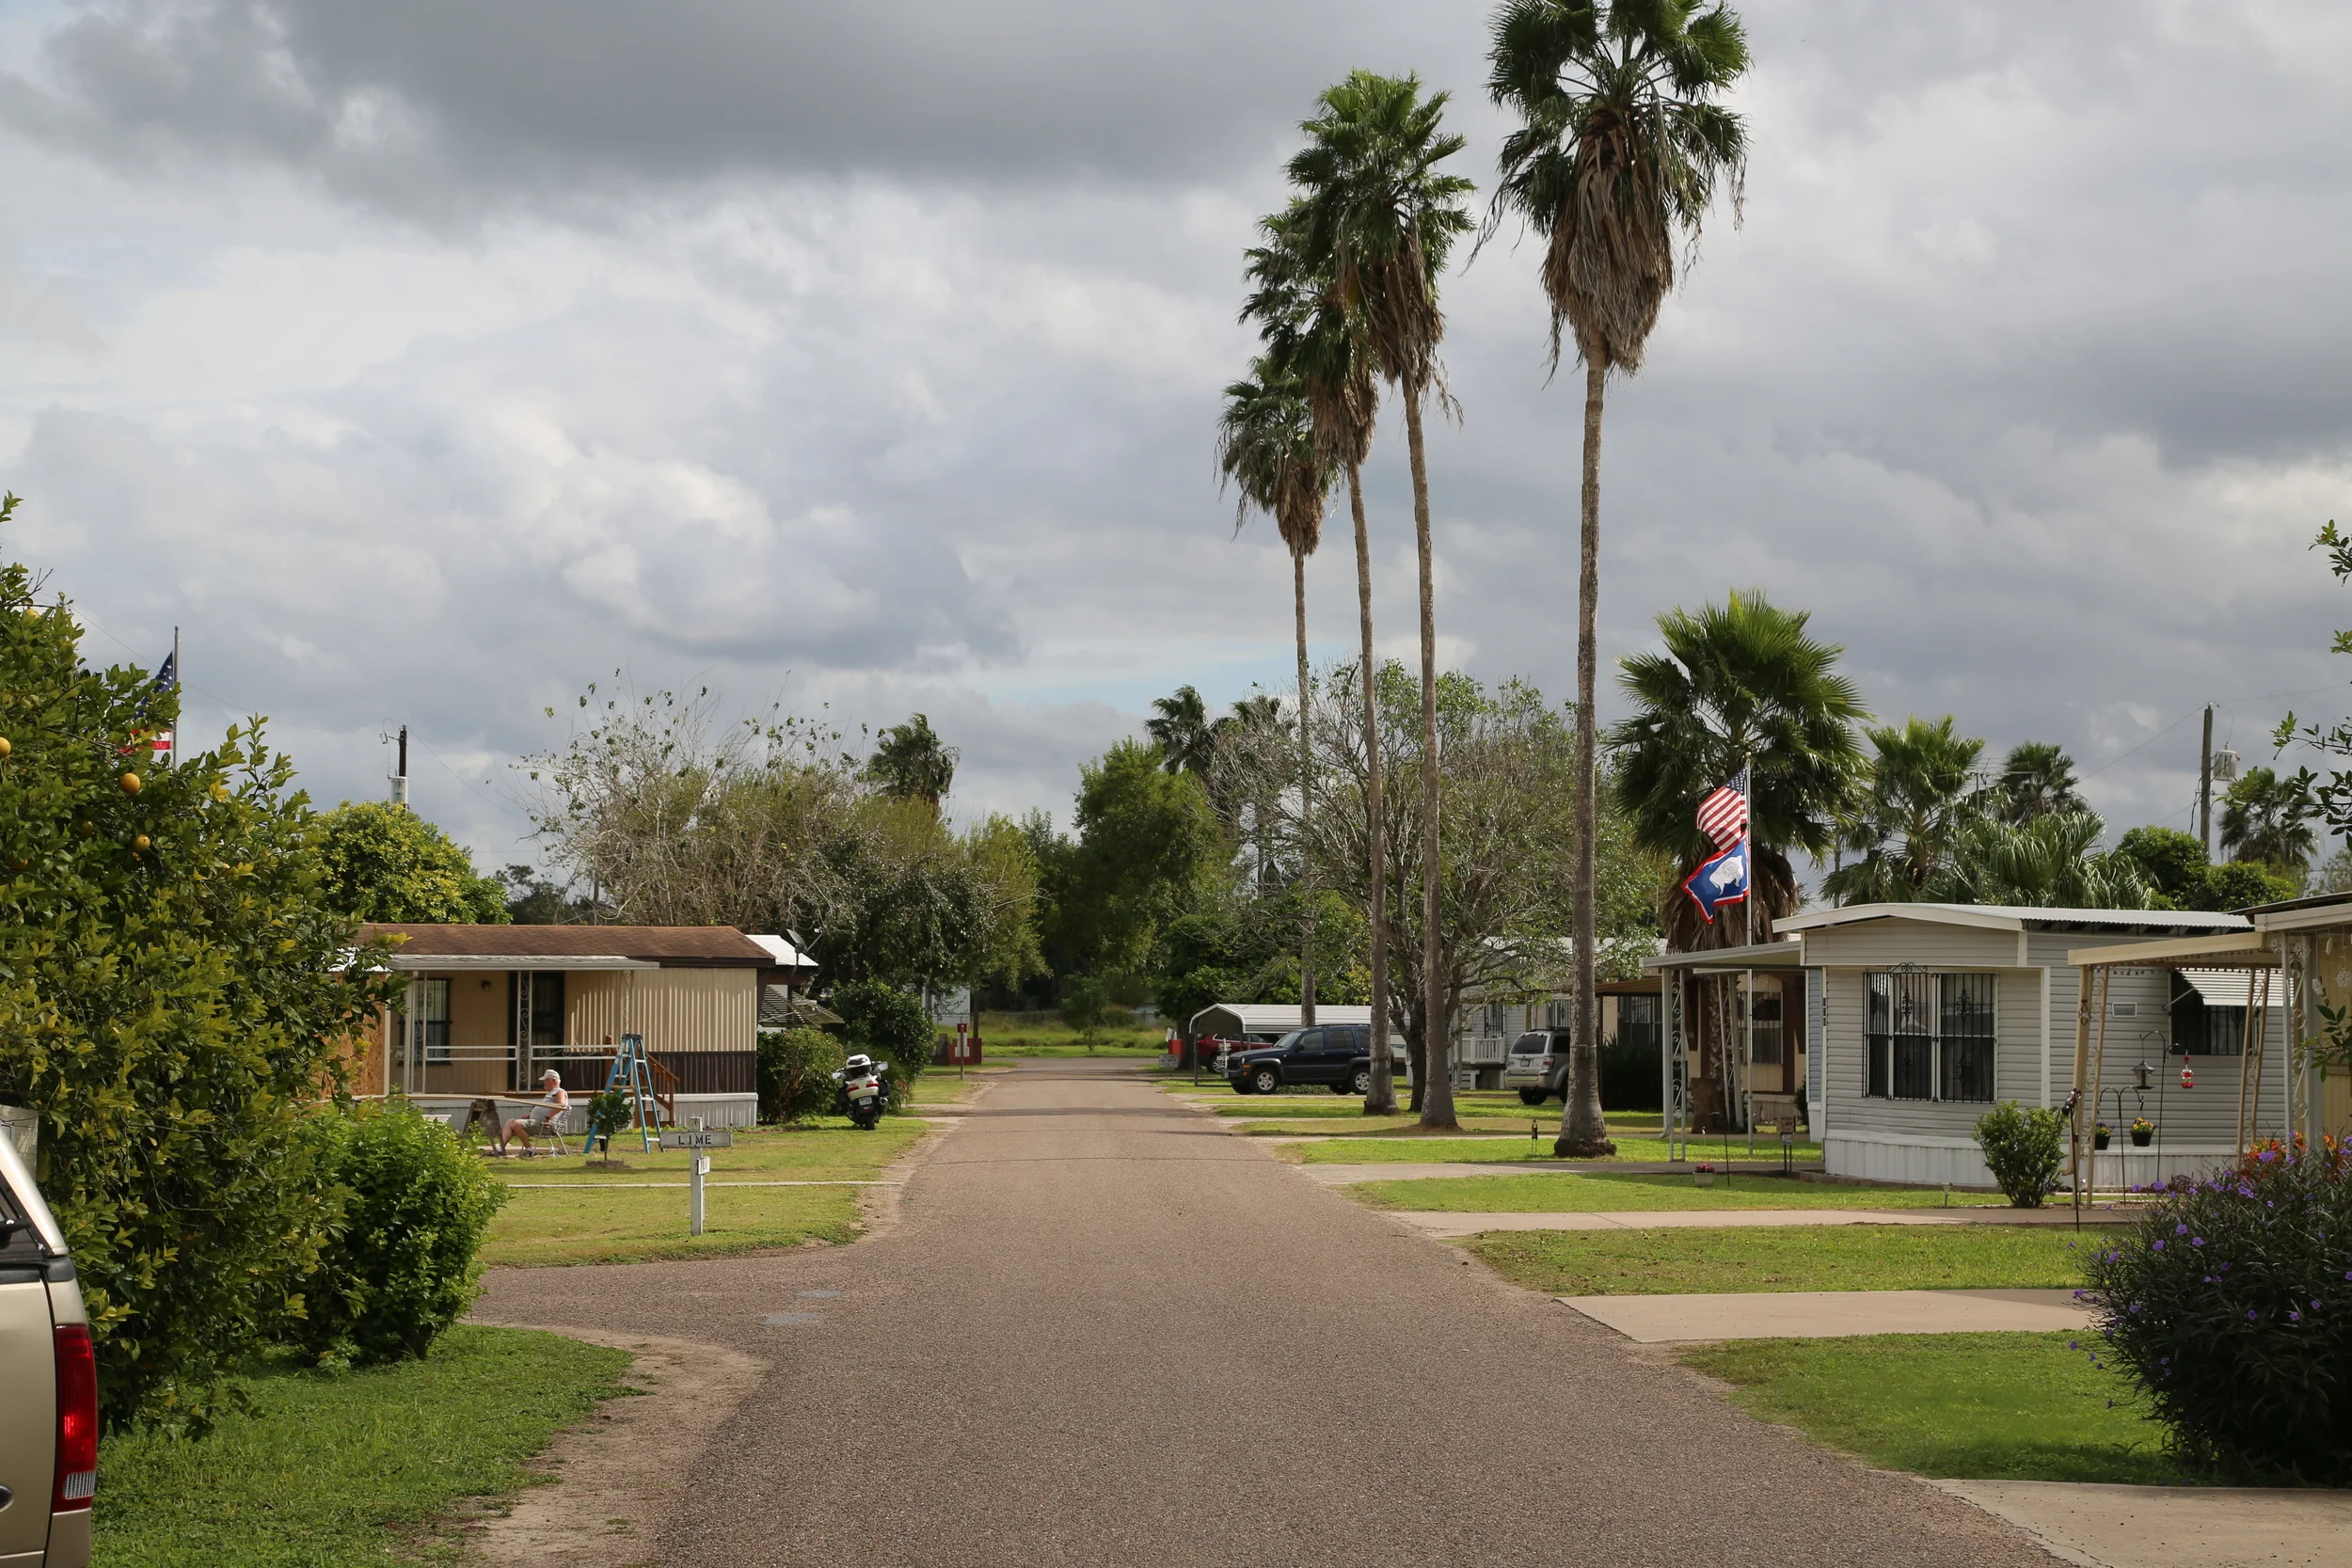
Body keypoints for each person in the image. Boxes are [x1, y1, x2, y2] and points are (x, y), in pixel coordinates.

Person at [501, 1069, 570, 1155]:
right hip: (537, 1123)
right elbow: (546, 1108)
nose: (544, 1083)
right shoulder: (550, 1094)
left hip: (546, 1126)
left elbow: (561, 1105)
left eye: (546, 1080)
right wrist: (530, 1114)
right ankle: (500, 1149)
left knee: (516, 1124)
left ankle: (529, 1150)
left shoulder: (559, 1092)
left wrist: (548, 1118)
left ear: (554, 1081)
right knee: (510, 1122)